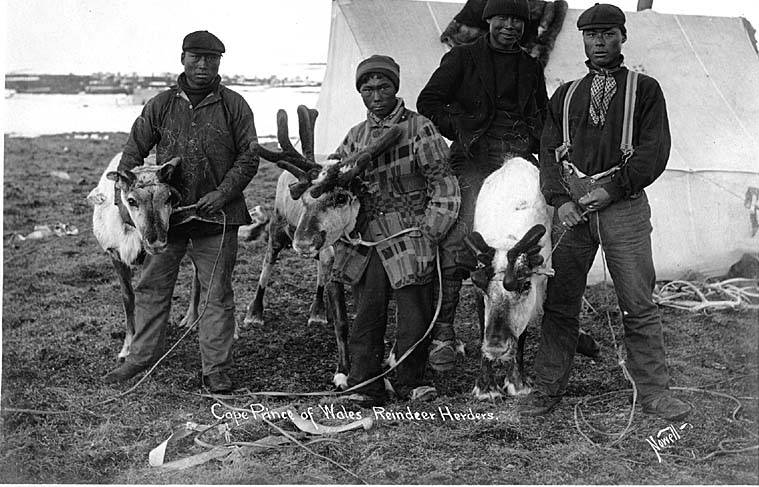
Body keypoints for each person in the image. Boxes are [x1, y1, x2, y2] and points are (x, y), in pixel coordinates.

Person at [518, 3, 692, 421]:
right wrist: (560, 201)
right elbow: (547, 150)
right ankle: (547, 388)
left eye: (608, 33)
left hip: (624, 209)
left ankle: (654, 393)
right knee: (561, 303)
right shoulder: (565, 93)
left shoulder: (645, 90)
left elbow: (654, 150)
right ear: (582, 40)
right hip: (574, 213)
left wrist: (613, 189)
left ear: (622, 38)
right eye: (592, 35)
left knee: (637, 301)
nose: (600, 42)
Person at [103, 31, 259, 393]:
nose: (202, 65)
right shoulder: (160, 104)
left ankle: (216, 368)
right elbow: (133, 151)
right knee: (151, 286)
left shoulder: (234, 106)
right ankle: (140, 357)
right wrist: (126, 194)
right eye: (195, 57)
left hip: (217, 217)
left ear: (220, 62)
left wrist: (223, 194)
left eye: (211, 58)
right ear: (183, 59)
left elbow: (249, 157)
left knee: (216, 292)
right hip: (164, 219)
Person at [417, 0, 548, 372]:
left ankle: (539, 322)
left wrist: (532, 139)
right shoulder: (463, 58)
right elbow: (428, 102)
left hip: (518, 160)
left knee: (541, 230)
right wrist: (461, 128)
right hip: (475, 159)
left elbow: (541, 114)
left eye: (518, 21)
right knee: (463, 236)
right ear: (488, 20)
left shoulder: (530, 66)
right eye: (503, 18)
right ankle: (444, 329)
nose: (510, 26)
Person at [330, 55, 461, 406]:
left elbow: (444, 185)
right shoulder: (355, 137)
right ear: (360, 92)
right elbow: (334, 180)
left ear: (396, 87)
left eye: (383, 87)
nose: (376, 95)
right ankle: (364, 385)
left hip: (410, 233)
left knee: (414, 313)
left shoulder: (421, 129)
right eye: (367, 88)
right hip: (368, 235)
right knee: (367, 311)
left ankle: (409, 382)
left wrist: (430, 230)